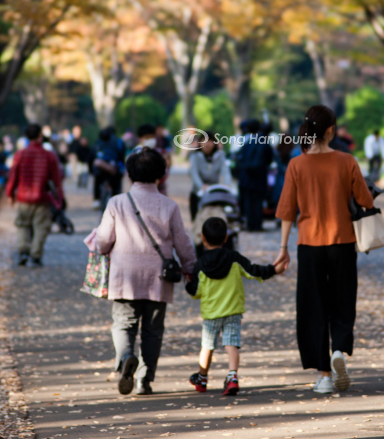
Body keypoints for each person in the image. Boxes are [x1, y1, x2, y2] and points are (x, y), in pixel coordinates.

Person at [275, 105, 375, 394]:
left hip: (309, 245)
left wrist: (283, 249)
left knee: (313, 308)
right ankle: (339, 352)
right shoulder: (347, 161)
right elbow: (366, 202)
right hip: (342, 242)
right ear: (331, 129)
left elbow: (286, 211)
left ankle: (324, 376)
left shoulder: (296, 165)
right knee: (343, 301)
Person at [94, 147, 197, 396]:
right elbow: (182, 241)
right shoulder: (169, 206)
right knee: (152, 330)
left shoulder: (116, 202)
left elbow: (103, 242)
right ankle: (144, 380)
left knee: (123, 324)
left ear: (129, 175)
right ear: (161, 176)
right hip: (158, 277)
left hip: (124, 276)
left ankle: (126, 358)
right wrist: (190, 267)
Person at [186, 217, 284, 396]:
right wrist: (273, 270)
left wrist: (188, 284)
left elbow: (195, 292)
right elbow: (253, 271)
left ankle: (202, 378)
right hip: (233, 311)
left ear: (202, 237)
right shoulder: (234, 258)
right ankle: (232, 377)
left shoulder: (200, 265)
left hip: (211, 314)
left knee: (207, 346)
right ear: (225, 238)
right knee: (231, 344)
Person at [5, 123, 64, 267]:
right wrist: (59, 199)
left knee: (23, 225)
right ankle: (36, 255)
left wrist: (10, 194)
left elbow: (13, 176)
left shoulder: (20, 155)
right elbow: (56, 180)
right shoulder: (49, 156)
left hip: (23, 198)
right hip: (42, 197)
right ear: (40, 136)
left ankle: (23, 251)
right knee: (42, 226)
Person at [236, 120, 274, 232]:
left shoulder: (249, 142)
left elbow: (240, 156)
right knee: (258, 201)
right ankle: (257, 224)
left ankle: (250, 224)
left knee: (248, 201)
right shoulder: (265, 143)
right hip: (260, 176)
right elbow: (269, 159)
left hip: (246, 176)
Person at [189, 132, 233, 221]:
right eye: (203, 141)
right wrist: (201, 186)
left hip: (214, 192)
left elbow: (225, 171)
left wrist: (227, 184)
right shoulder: (195, 156)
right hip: (198, 191)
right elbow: (194, 173)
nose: (206, 144)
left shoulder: (220, 156)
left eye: (210, 141)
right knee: (196, 218)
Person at [92, 128, 125, 210]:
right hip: (114, 170)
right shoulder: (118, 142)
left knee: (97, 179)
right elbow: (121, 157)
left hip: (100, 170)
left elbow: (91, 158)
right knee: (116, 185)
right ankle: (117, 200)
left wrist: (91, 171)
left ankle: (97, 199)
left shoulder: (97, 144)